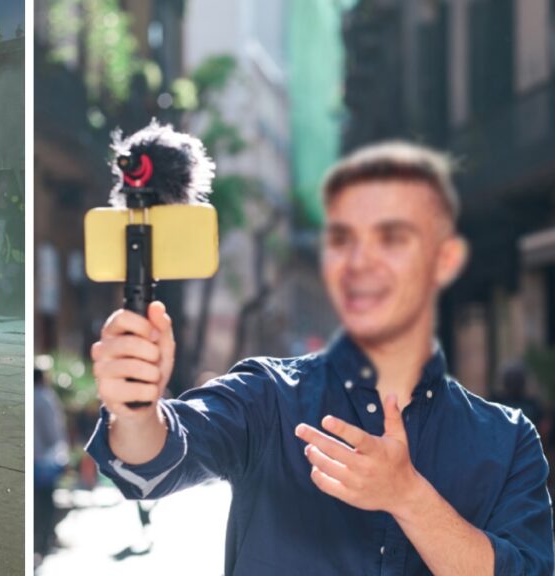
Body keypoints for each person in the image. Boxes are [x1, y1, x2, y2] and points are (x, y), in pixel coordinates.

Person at [87, 142, 554, 574]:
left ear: (444, 258)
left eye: (392, 237)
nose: (363, 261)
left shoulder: (508, 441)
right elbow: (157, 453)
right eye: (345, 239)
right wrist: (135, 408)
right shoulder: (267, 397)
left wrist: (409, 497)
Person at [34, 368, 68, 563]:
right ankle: (44, 541)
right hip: (45, 461)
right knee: (46, 502)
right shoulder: (45, 397)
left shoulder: (36, 396)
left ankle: (41, 540)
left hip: (35, 459)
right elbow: (53, 432)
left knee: (39, 502)